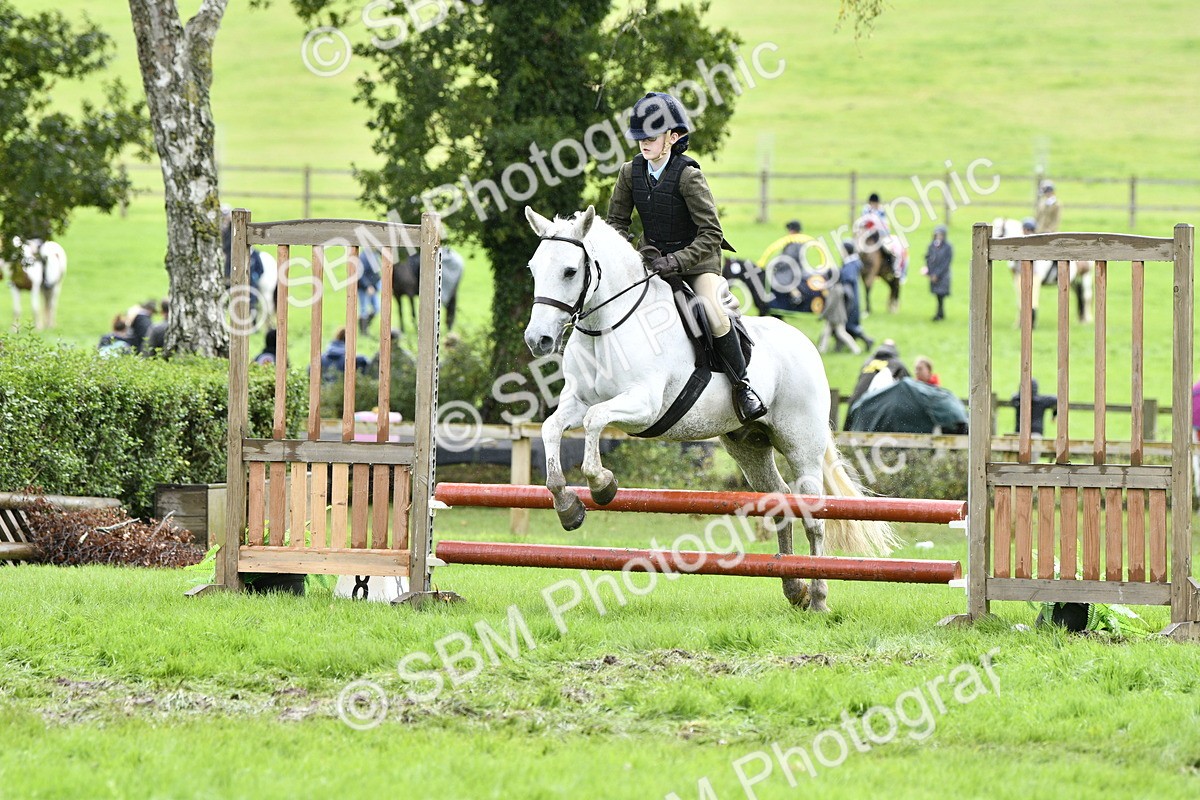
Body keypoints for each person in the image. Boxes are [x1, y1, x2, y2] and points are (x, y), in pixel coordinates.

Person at [605, 91, 765, 423]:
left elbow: (712, 233)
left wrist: (677, 261)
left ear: (673, 137)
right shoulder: (629, 173)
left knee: (712, 311)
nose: (644, 143)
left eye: (651, 136)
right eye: (640, 137)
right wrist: (624, 257)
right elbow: (616, 223)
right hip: (652, 260)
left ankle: (742, 387)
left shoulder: (689, 176)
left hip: (697, 262)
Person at [846, 339, 911, 413]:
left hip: (857, 403)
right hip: (880, 406)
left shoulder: (867, 362)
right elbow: (910, 387)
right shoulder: (898, 364)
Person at [838, 240, 873, 350]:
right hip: (852, 297)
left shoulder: (850, 265)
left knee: (849, 325)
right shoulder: (851, 263)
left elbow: (847, 279)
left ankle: (867, 340)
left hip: (850, 298)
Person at [817, 277, 860, 355]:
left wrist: (823, 315)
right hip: (834, 316)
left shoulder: (835, 289)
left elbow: (830, 304)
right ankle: (822, 349)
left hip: (836, 317)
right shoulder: (838, 288)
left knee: (841, 333)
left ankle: (856, 349)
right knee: (826, 332)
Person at [923, 225, 952, 321]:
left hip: (943, 275)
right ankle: (939, 313)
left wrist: (937, 274)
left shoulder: (947, 247)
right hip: (933, 274)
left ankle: (940, 314)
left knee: (941, 294)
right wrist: (931, 273)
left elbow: (946, 262)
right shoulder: (931, 246)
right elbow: (929, 259)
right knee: (937, 295)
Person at [357, 248, 383, 335]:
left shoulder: (375, 255)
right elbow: (360, 274)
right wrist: (367, 286)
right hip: (364, 288)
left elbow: (376, 273)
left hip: (373, 287)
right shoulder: (363, 257)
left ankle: (365, 326)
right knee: (364, 309)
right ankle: (363, 331)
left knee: (377, 308)